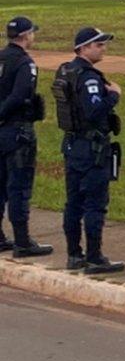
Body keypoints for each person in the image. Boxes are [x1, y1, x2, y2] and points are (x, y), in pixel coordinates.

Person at [52, 27, 125, 274]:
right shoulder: (89, 77)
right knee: (94, 202)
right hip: (91, 147)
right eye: (98, 45)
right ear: (82, 48)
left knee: (73, 202)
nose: (103, 49)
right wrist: (114, 96)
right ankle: (94, 257)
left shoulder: (66, 71)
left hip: (72, 144)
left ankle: (74, 255)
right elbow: (93, 111)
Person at [0, 16, 52, 257]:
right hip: (17, 130)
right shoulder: (24, 63)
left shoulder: (1, 57)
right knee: (19, 186)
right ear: (25, 35)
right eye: (32, 33)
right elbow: (20, 95)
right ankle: (22, 241)